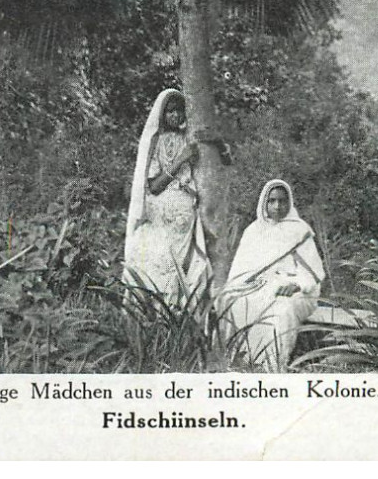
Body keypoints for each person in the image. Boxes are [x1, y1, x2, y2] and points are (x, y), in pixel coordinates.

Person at [220, 178, 324, 370]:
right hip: (260, 286)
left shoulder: (299, 230)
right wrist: (241, 287)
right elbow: (240, 271)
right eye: (272, 201)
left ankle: (272, 365)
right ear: (264, 203)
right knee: (234, 301)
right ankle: (241, 361)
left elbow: (313, 273)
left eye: (282, 201)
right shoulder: (253, 231)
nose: (277, 206)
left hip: (297, 290)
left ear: (289, 202)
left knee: (282, 310)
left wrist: (297, 285)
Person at [124, 89, 210, 300]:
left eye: (180, 111)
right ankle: (152, 309)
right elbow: (154, 186)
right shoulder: (154, 141)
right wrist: (180, 160)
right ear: (162, 114)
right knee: (156, 262)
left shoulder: (189, 138)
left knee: (178, 265)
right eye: (171, 111)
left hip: (184, 211)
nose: (176, 116)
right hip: (160, 210)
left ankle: (174, 312)